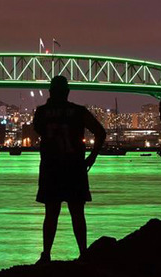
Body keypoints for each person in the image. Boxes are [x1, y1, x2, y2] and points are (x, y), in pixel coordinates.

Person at [33, 76, 106, 264]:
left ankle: (46, 254)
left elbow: (39, 129)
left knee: (51, 213)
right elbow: (100, 132)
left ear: (50, 92)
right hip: (75, 167)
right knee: (77, 213)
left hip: (51, 168)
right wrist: (92, 157)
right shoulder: (78, 111)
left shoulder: (41, 112)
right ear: (67, 92)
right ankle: (84, 253)